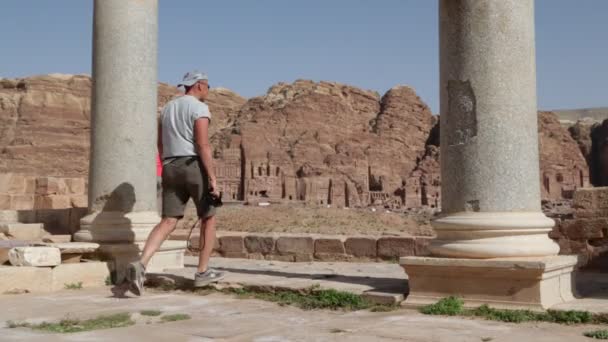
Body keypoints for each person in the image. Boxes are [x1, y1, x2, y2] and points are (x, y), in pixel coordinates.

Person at [126, 71, 224, 296]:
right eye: (208, 86)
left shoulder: (167, 109)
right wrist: (212, 178)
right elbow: (202, 144)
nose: (208, 90)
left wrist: (166, 166)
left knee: (169, 220)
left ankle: (141, 264)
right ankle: (202, 272)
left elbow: (160, 143)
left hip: (170, 165)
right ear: (199, 85)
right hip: (192, 164)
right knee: (208, 217)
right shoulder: (199, 108)